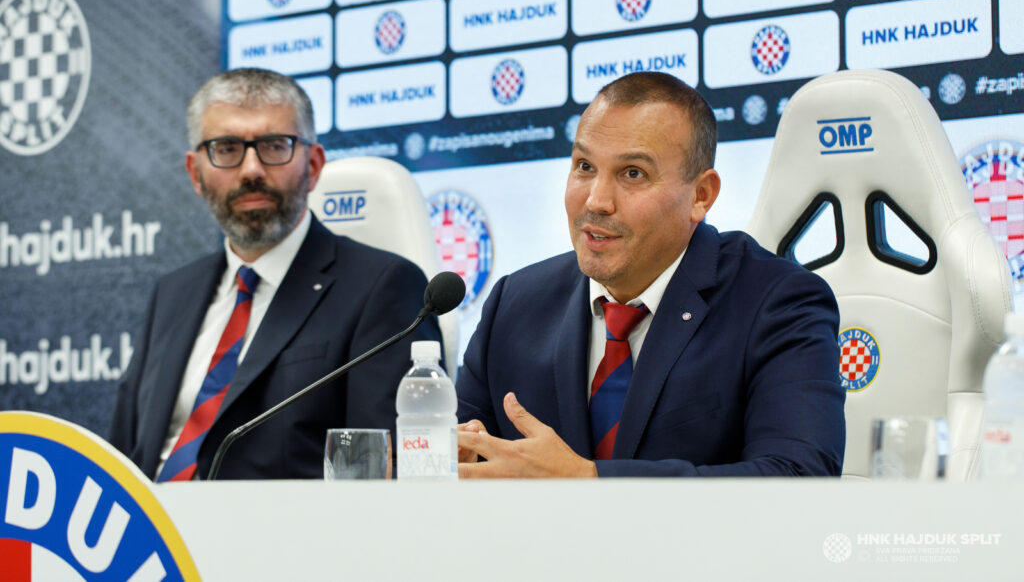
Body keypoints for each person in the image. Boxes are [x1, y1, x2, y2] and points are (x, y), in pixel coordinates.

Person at [456, 71, 845, 478]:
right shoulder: (514, 304)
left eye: (633, 173)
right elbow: (458, 457)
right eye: (585, 166)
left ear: (700, 196)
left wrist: (588, 481)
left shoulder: (778, 302)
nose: (596, 201)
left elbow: (800, 475)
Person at [109, 68, 439, 480]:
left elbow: (383, 477)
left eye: (274, 146)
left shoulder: (382, 288)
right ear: (195, 173)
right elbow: (119, 457)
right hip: (149, 520)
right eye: (226, 148)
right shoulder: (173, 293)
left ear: (313, 165)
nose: (251, 169)